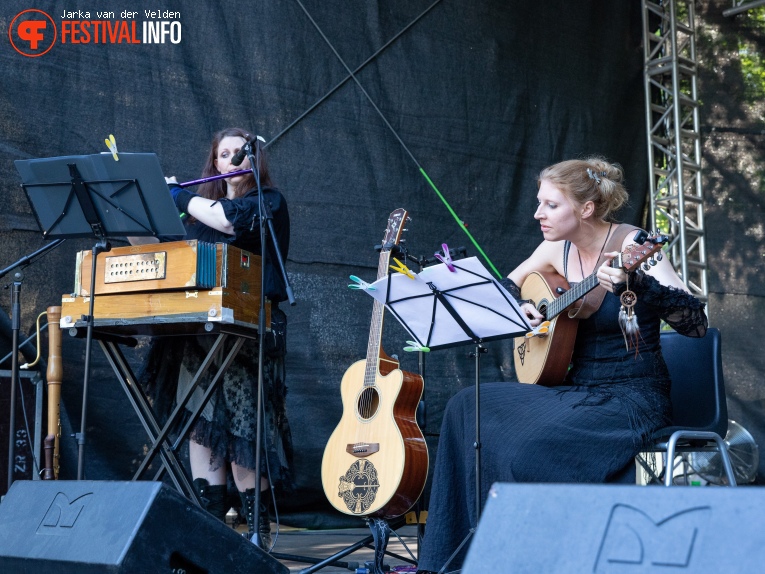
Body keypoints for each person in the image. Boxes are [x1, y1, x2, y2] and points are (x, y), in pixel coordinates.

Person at [415, 157, 708, 573]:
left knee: (524, 447)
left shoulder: (634, 244)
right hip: (574, 391)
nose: (538, 213)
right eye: (539, 203)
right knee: (467, 406)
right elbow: (503, 288)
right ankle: (456, 560)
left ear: (585, 209)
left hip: (632, 397)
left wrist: (639, 284)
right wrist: (522, 308)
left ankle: (529, 559)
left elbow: (697, 324)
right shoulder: (556, 248)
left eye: (550, 205)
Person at [136, 127, 293, 550]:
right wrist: (144, 209)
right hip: (198, 333)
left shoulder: (267, 202)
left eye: (240, 152)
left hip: (245, 331)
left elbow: (230, 220)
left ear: (253, 158)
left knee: (242, 430)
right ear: (217, 165)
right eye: (224, 154)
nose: (233, 158)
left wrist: (180, 197)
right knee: (203, 427)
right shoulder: (195, 215)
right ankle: (210, 542)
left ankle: (257, 540)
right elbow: (163, 251)